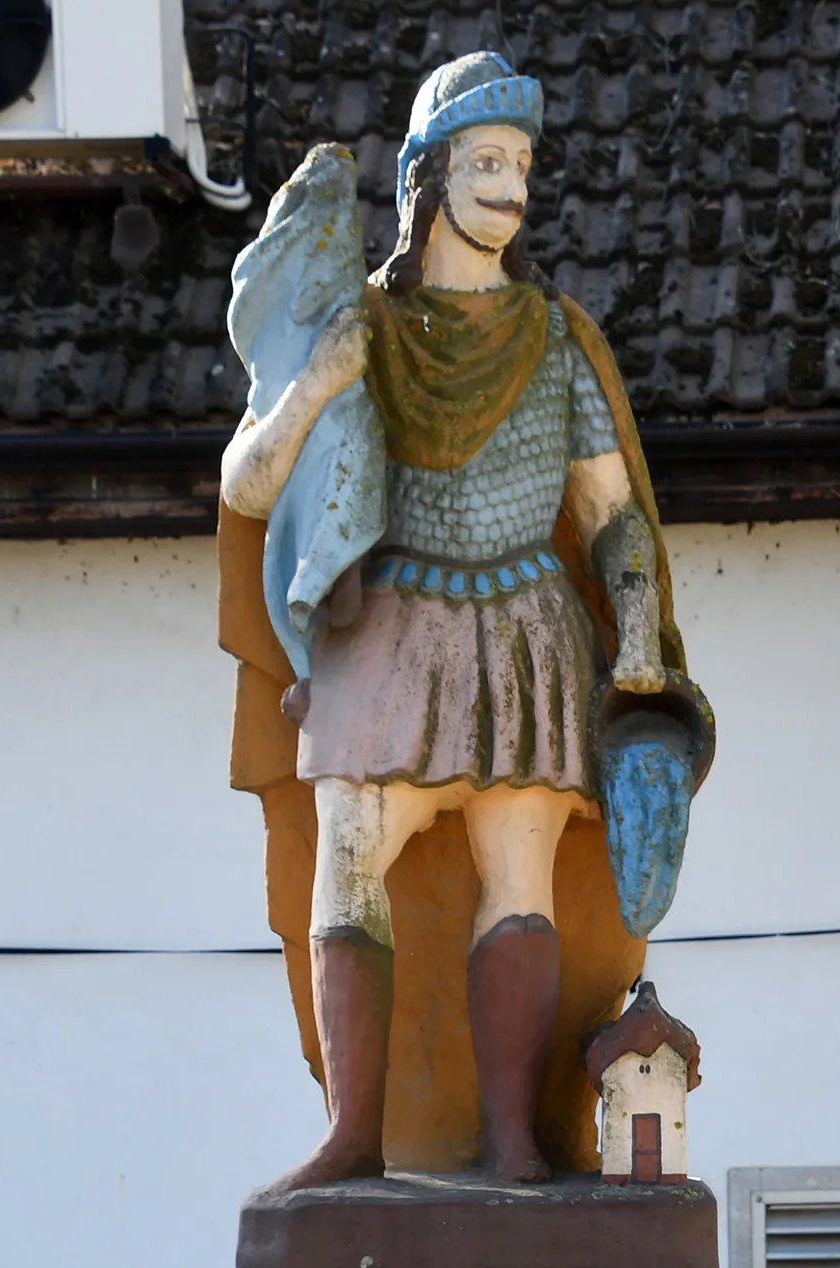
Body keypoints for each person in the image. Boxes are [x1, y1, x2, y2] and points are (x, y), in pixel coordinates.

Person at [221, 51, 685, 1190]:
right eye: (485, 160)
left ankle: (514, 1138)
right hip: (387, 622)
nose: (508, 185)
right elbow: (246, 483)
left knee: (517, 873)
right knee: (347, 862)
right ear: (427, 178)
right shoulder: (362, 329)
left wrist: (632, 629)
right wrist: (318, 383)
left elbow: (612, 514)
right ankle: (353, 1138)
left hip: (527, 627)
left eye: (521, 164)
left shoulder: (557, 337)